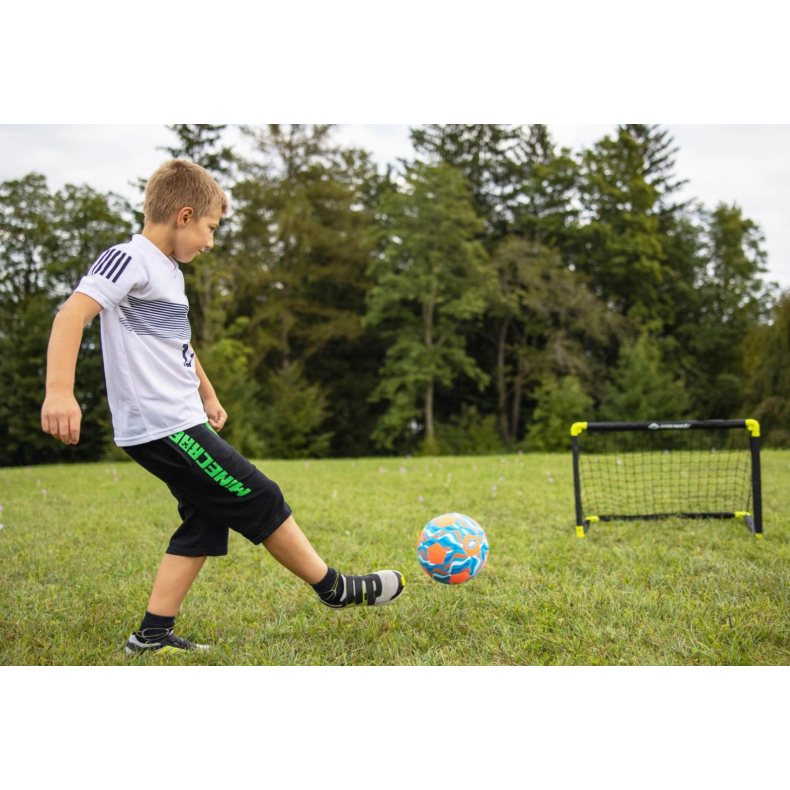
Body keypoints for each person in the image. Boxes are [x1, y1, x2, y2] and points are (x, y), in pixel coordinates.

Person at [41, 159, 405, 656]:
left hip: (181, 416)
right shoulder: (129, 258)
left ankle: (151, 635)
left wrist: (207, 394)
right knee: (261, 495)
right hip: (162, 425)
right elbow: (72, 314)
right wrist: (60, 390)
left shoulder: (169, 274)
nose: (211, 242)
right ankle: (334, 588)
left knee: (205, 519)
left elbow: (179, 347)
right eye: (211, 229)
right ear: (184, 215)